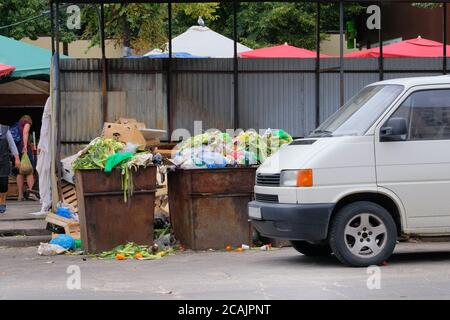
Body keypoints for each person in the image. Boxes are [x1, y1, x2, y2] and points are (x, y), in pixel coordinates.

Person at [16, 115, 38, 201]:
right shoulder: (27, 122)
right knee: (29, 171)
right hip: (24, 148)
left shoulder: (18, 125)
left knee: (20, 171)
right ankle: (32, 194)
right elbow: (25, 132)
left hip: (16, 149)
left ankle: (20, 195)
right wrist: (25, 146)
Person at [0, 124, 20, 214]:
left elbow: (12, 145)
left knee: (3, 184)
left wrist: (17, 158)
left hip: (4, 160)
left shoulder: (5, 129)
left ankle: (3, 200)